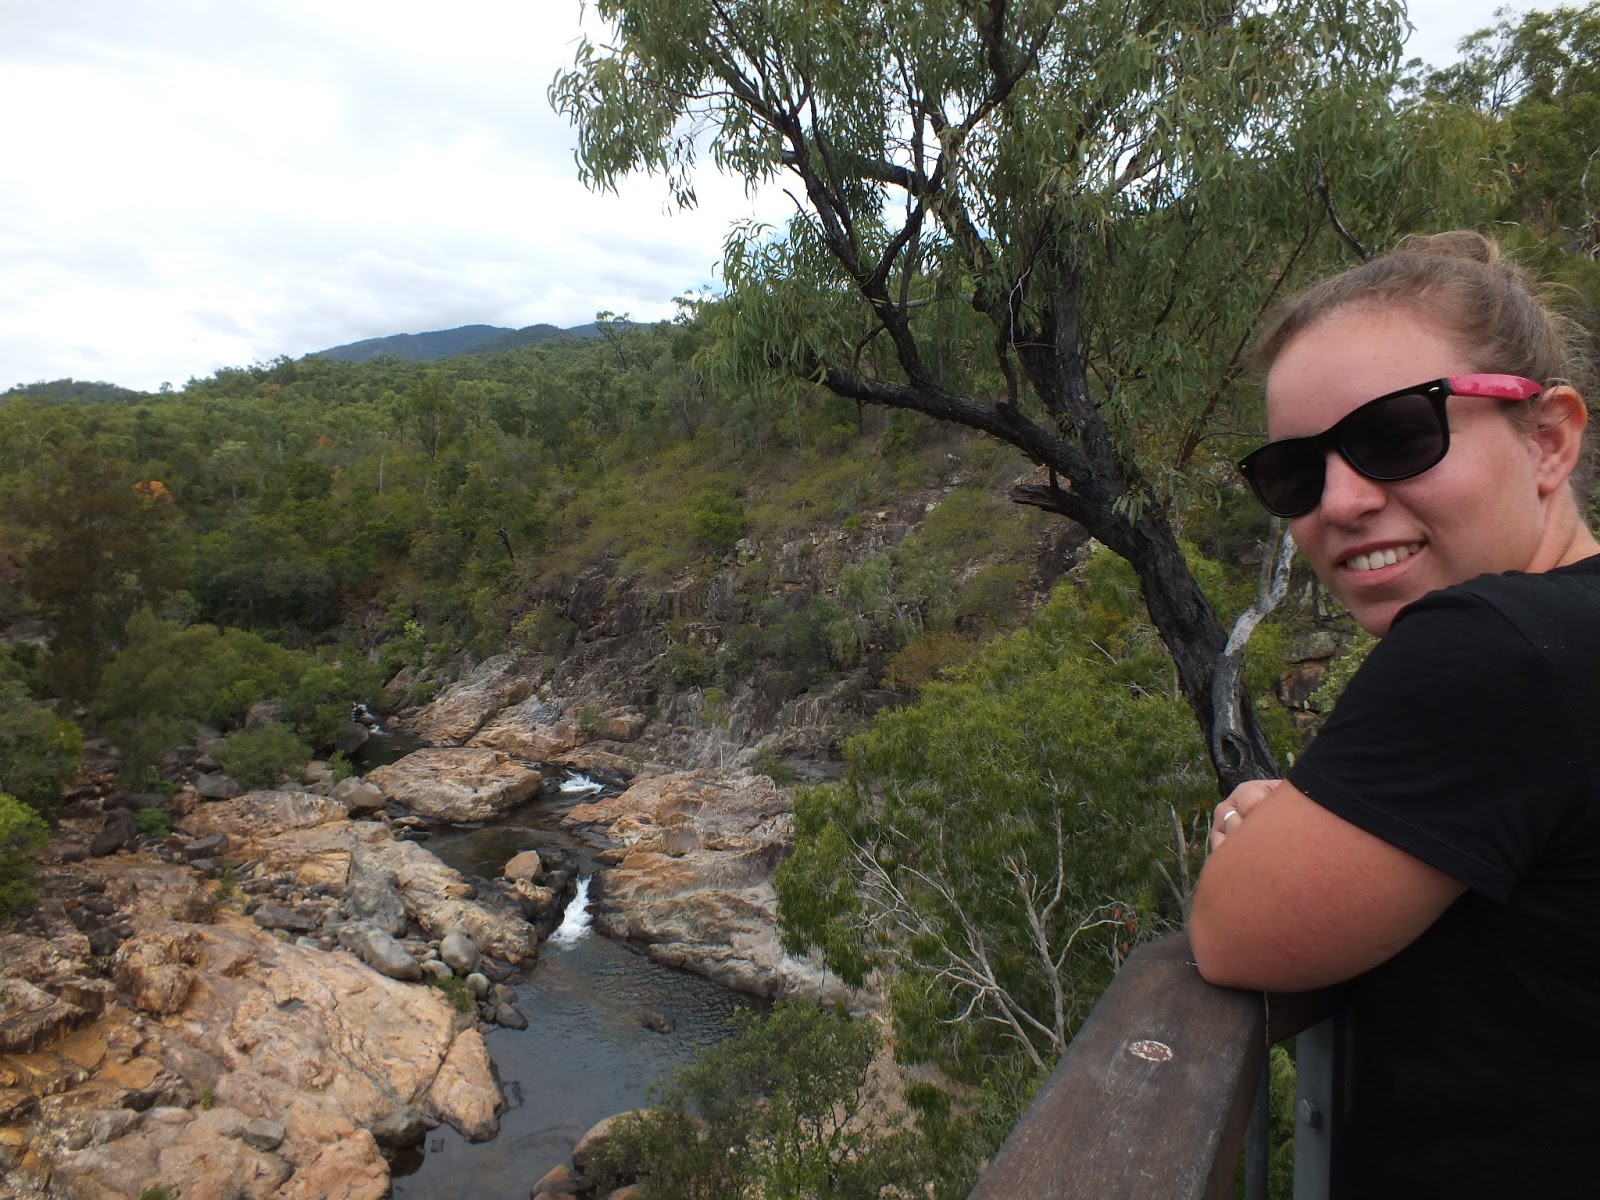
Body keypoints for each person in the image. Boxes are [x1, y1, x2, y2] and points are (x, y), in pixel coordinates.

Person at [1188, 230, 1600, 1198]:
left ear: (1545, 438)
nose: (1339, 500)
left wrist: (1271, 832)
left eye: (1395, 437)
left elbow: (1238, 931)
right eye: (1293, 472)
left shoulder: (1490, 644)